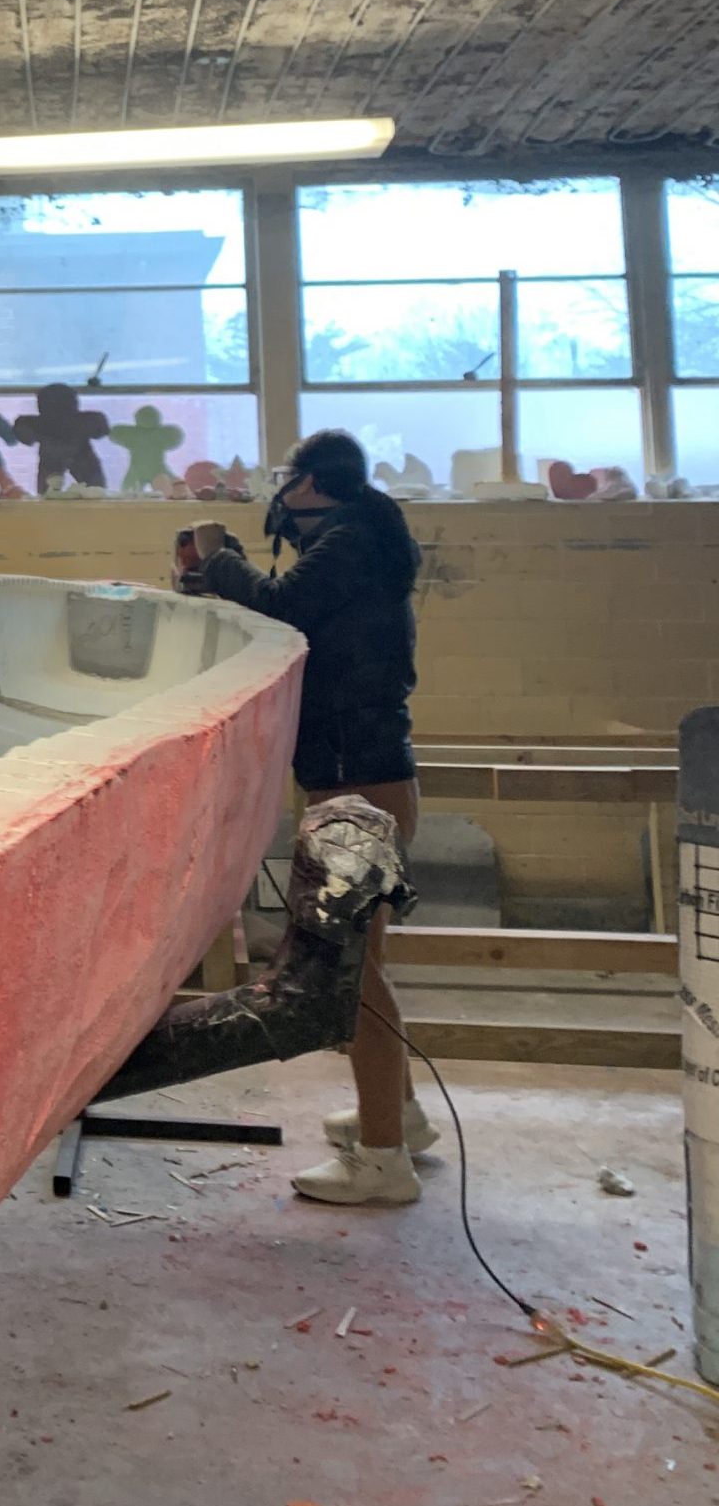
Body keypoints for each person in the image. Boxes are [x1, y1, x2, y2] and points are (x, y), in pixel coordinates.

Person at [186, 429, 431, 1207]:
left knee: (350, 977)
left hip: (354, 785)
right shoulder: (364, 533)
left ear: (315, 485)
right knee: (365, 967)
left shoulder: (350, 544)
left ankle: (384, 1159)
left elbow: (281, 606)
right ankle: (401, 1116)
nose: (280, 494)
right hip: (369, 775)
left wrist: (218, 559)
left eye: (290, 481)